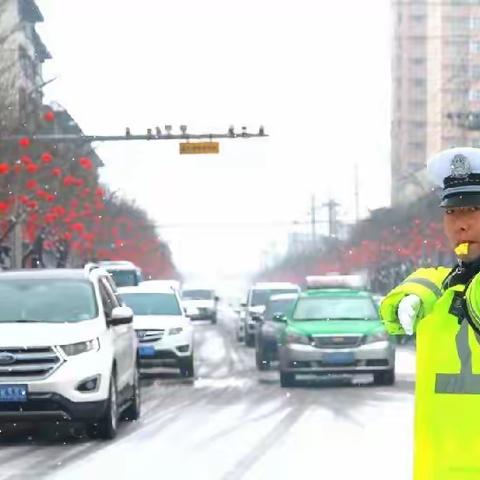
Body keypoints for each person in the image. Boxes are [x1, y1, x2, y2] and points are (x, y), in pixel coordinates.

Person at [380, 147, 480, 480]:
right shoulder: (453, 282)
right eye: (453, 211)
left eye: (475, 209)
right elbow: (440, 279)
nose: (461, 224)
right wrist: (417, 289)